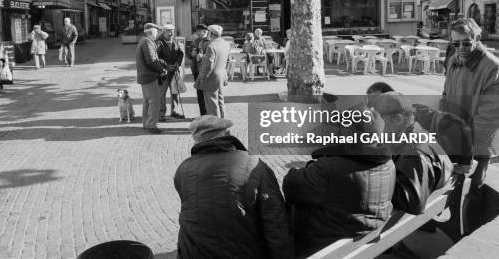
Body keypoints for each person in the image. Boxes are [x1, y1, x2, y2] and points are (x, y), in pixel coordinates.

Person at [174, 115, 294, 259]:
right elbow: (275, 221)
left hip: (192, 252)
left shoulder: (183, 169)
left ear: (196, 140)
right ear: (228, 135)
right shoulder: (253, 164)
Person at [282, 110, 395, 253]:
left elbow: (290, 186)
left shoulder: (330, 168)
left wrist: (314, 165)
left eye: (342, 128)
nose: (339, 132)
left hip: (323, 246)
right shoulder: (389, 164)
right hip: (365, 240)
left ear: (350, 133)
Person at [440, 18, 499, 189]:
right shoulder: (453, 60)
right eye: (455, 44)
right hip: (453, 137)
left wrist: (471, 148)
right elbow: (445, 94)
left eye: (466, 43)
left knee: (473, 189)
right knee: (451, 189)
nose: (460, 49)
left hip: (476, 144)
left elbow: (489, 117)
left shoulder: (492, 67)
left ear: (477, 39)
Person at [372, 92, 453, 215]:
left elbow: (414, 203)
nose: (376, 124)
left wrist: (375, 183)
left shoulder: (412, 152)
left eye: (379, 118)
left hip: (419, 198)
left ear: (398, 119)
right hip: (434, 184)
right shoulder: (414, 130)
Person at [135, 23, 168, 133]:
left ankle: (146, 123)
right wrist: (162, 70)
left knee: (147, 101)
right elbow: (151, 61)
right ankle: (151, 125)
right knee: (155, 101)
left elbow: (152, 58)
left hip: (145, 76)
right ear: (150, 32)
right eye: (156, 31)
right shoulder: (147, 42)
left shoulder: (144, 40)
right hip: (149, 76)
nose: (157, 34)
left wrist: (160, 62)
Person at [194, 24, 230, 118]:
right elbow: (228, 61)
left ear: (211, 33)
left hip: (211, 78)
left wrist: (202, 78)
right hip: (221, 77)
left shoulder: (211, 46)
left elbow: (208, 65)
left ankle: (216, 128)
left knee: (212, 104)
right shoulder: (225, 44)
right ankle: (223, 124)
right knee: (220, 101)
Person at [156, 24, 185, 121]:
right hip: (163, 73)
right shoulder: (158, 43)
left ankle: (174, 112)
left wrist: (177, 63)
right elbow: (156, 58)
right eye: (169, 31)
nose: (171, 33)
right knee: (161, 94)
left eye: (172, 30)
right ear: (163, 32)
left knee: (175, 93)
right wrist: (166, 65)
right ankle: (161, 115)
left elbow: (181, 53)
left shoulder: (175, 41)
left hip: (174, 72)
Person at [188, 24, 210, 115]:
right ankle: (202, 114)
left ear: (205, 32)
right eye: (197, 31)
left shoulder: (210, 42)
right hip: (196, 70)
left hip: (204, 71)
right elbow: (189, 54)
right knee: (199, 94)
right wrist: (191, 54)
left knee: (206, 94)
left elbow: (211, 57)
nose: (197, 33)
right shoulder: (195, 41)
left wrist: (202, 57)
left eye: (199, 32)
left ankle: (208, 114)